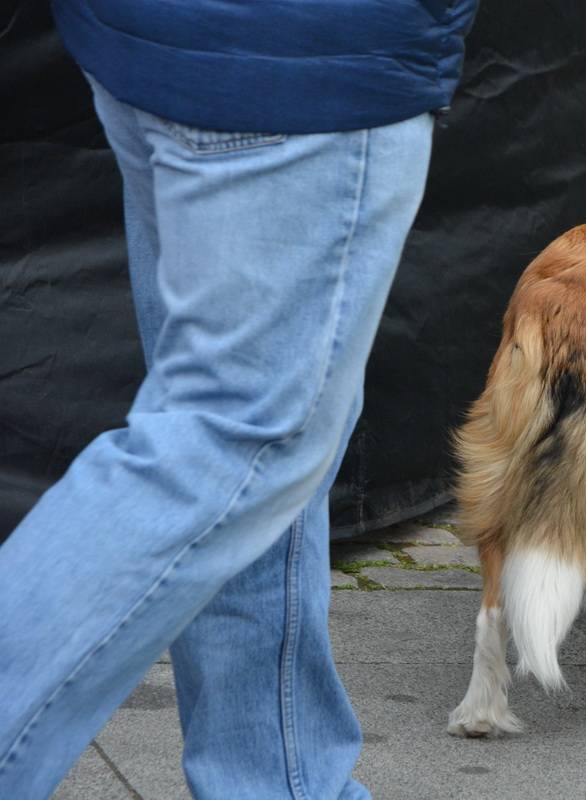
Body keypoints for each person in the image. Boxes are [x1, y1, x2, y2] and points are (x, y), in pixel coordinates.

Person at [0, 0, 478, 796]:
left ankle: (275, 783)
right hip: (304, 58)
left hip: (155, 36)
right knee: (235, 437)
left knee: (255, 453)